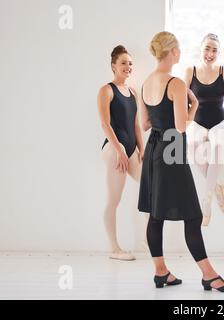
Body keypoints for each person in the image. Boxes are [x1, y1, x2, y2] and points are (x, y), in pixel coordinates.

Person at [138, 31, 224, 292]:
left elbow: (146, 124)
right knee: (193, 215)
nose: (180, 53)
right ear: (171, 52)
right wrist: (192, 104)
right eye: (178, 49)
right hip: (172, 149)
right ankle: (209, 275)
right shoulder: (176, 84)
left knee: (155, 216)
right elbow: (182, 126)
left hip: (154, 149)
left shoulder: (146, 82)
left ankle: (161, 272)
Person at [184, 33, 224, 226]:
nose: (210, 53)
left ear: (218, 52)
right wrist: (182, 126)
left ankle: (206, 205)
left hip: (219, 121)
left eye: (214, 50)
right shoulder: (190, 71)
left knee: (217, 148)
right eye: (207, 48)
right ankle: (216, 188)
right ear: (201, 49)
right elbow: (184, 104)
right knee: (191, 145)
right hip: (198, 121)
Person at [97, 45, 144, 261]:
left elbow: (136, 125)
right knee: (114, 200)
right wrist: (120, 150)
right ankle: (115, 249)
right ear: (114, 66)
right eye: (124, 62)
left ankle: (146, 240)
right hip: (114, 148)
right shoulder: (106, 90)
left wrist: (141, 149)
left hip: (131, 149)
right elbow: (106, 124)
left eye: (130, 63)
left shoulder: (133, 92)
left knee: (151, 188)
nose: (128, 66)